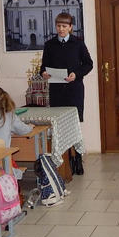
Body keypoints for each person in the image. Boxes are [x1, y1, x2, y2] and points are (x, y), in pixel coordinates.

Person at [40, 12, 93, 175]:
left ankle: (78, 158)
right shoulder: (50, 44)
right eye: (58, 26)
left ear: (70, 27)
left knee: (74, 125)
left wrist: (76, 74)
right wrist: (44, 73)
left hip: (74, 90)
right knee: (60, 127)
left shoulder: (78, 43)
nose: (61, 29)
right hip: (57, 91)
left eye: (64, 26)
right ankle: (66, 160)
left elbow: (88, 64)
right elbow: (43, 66)